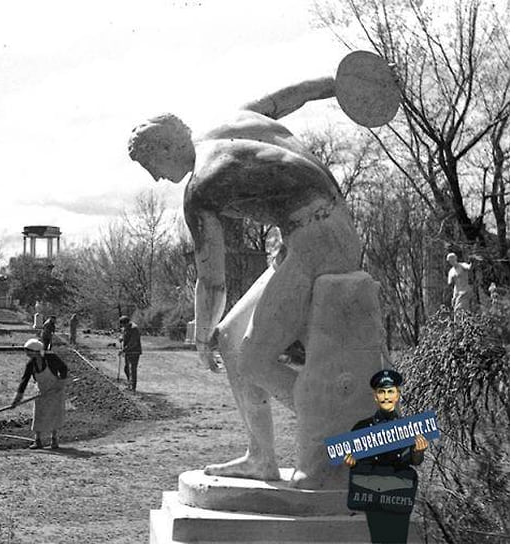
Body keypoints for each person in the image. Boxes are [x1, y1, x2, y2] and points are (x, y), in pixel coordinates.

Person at [128, 75, 363, 481]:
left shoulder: (201, 188)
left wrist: (200, 337)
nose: (156, 177)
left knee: (253, 359)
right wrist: (345, 82)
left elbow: (213, 282)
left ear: (167, 146)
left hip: (321, 240)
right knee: (233, 337)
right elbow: (297, 94)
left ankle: (346, 436)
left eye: (151, 165)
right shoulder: (232, 120)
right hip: (318, 233)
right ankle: (261, 457)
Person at [344, 369, 429, 543]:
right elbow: (354, 463)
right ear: (375, 396)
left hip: (399, 492)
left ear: (397, 395)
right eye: (381, 392)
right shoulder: (361, 428)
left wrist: (418, 451)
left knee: (398, 538)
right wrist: (351, 461)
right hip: (373, 492)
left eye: (391, 392)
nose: (386, 397)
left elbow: (416, 462)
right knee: (379, 537)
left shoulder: (409, 429)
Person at [11, 338, 70, 449]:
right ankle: (37, 440)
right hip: (41, 390)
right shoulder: (31, 364)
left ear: (36, 351)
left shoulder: (51, 358)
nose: (27, 354)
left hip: (55, 390)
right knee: (38, 415)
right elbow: (24, 381)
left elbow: (64, 368)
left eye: (28, 351)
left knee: (54, 414)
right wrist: (17, 399)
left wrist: (60, 384)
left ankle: (54, 439)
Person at [119, 316, 142, 391]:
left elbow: (133, 342)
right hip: (128, 352)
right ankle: (130, 384)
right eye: (122, 326)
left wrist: (123, 350)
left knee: (132, 369)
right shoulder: (125, 328)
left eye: (124, 325)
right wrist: (121, 337)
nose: (123, 327)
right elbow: (123, 333)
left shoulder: (134, 329)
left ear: (127, 322)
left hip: (134, 351)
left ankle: (133, 387)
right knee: (126, 369)